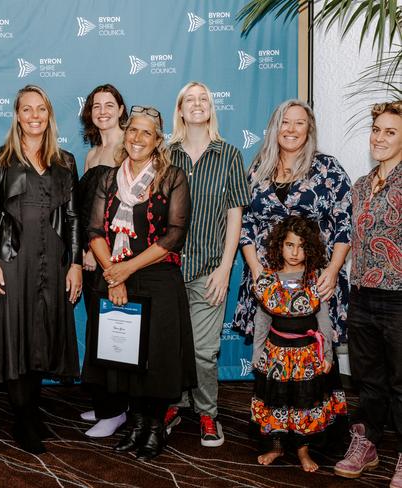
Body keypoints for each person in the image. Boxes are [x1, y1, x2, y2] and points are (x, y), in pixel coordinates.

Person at [85, 105, 197, 461]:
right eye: (132, 130)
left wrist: (126, 269)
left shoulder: (172, 176)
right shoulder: (107, 178)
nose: (137, 138)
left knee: (156, 358)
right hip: (114, 275)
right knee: (124, 357)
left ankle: (154, 427)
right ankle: (134, 424)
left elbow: (175, 236)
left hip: (157, 277)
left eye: (146, 132)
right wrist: (113, 273)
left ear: (158, 140)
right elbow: (95, 231)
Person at [0, 85, 82, 454]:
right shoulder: (1, 159)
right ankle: (22, 419)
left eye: (41, 109)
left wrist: (75, 264)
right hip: (12, 262)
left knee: (41, 336)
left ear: (49, 115)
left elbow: (72, 217)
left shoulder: (66, 161)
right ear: (17, 115)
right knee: (16, 336)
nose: (34, 116)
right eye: (27, 109)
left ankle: (33, 412)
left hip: (52, 263)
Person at [168, 81, 250, 446]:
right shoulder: (166, 155)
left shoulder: (229, 155)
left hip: (209, 270)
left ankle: (207, 413)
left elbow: (235, 215)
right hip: (166, 269)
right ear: (181, 110)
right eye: (191, 100)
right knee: (170, 346)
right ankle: (173, 404)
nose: (198, 105)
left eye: (204, 99)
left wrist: (225, 267)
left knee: (203, 350)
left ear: (211, 108)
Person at [234, 100, 352, 343]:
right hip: (266, 275)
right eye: (285, 123)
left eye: (299, 123)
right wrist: (255, 267)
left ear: (309, 130)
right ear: (275, 128)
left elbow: (345, 223)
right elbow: (245, 223)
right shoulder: (258, 168)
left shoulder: (328, 169)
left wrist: (332, 270)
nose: (291, 129)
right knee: (270, 347)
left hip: (315, 276)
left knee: (315, 346)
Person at [334, 101, 402, 487]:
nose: (379, 137)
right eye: (376, 129)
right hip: (361, 295)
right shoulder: (361, 184)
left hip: (399, 297)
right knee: (369, 379)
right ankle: (370, 444)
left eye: (390, 131)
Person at [251, 216, 346, 472]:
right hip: (275, 356)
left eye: (302, 246)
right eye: (289, 245)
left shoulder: (316, 279)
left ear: (310, 249)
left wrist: (327, 355)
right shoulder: (267, 280)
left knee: (304, 404)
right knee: (276, 404)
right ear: (279, 246)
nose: (295, 252)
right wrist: (257, 353)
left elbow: (323, 321)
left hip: (307, 356)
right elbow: (261, 321)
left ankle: (303, 451)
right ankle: (276, 447)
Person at [78, 84, 128, 438]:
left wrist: (108, 257)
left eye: (110, 105)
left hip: (116, 257)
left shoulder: (130, 148)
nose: (103, 111)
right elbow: (87, 212)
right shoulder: (92, 154)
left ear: (121, 109)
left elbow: (127, 210)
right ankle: (106, 403)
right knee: (98, 329)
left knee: (115, 332)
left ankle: (116, 412)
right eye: (97, 106)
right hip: (92, 252)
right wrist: (84, 249)